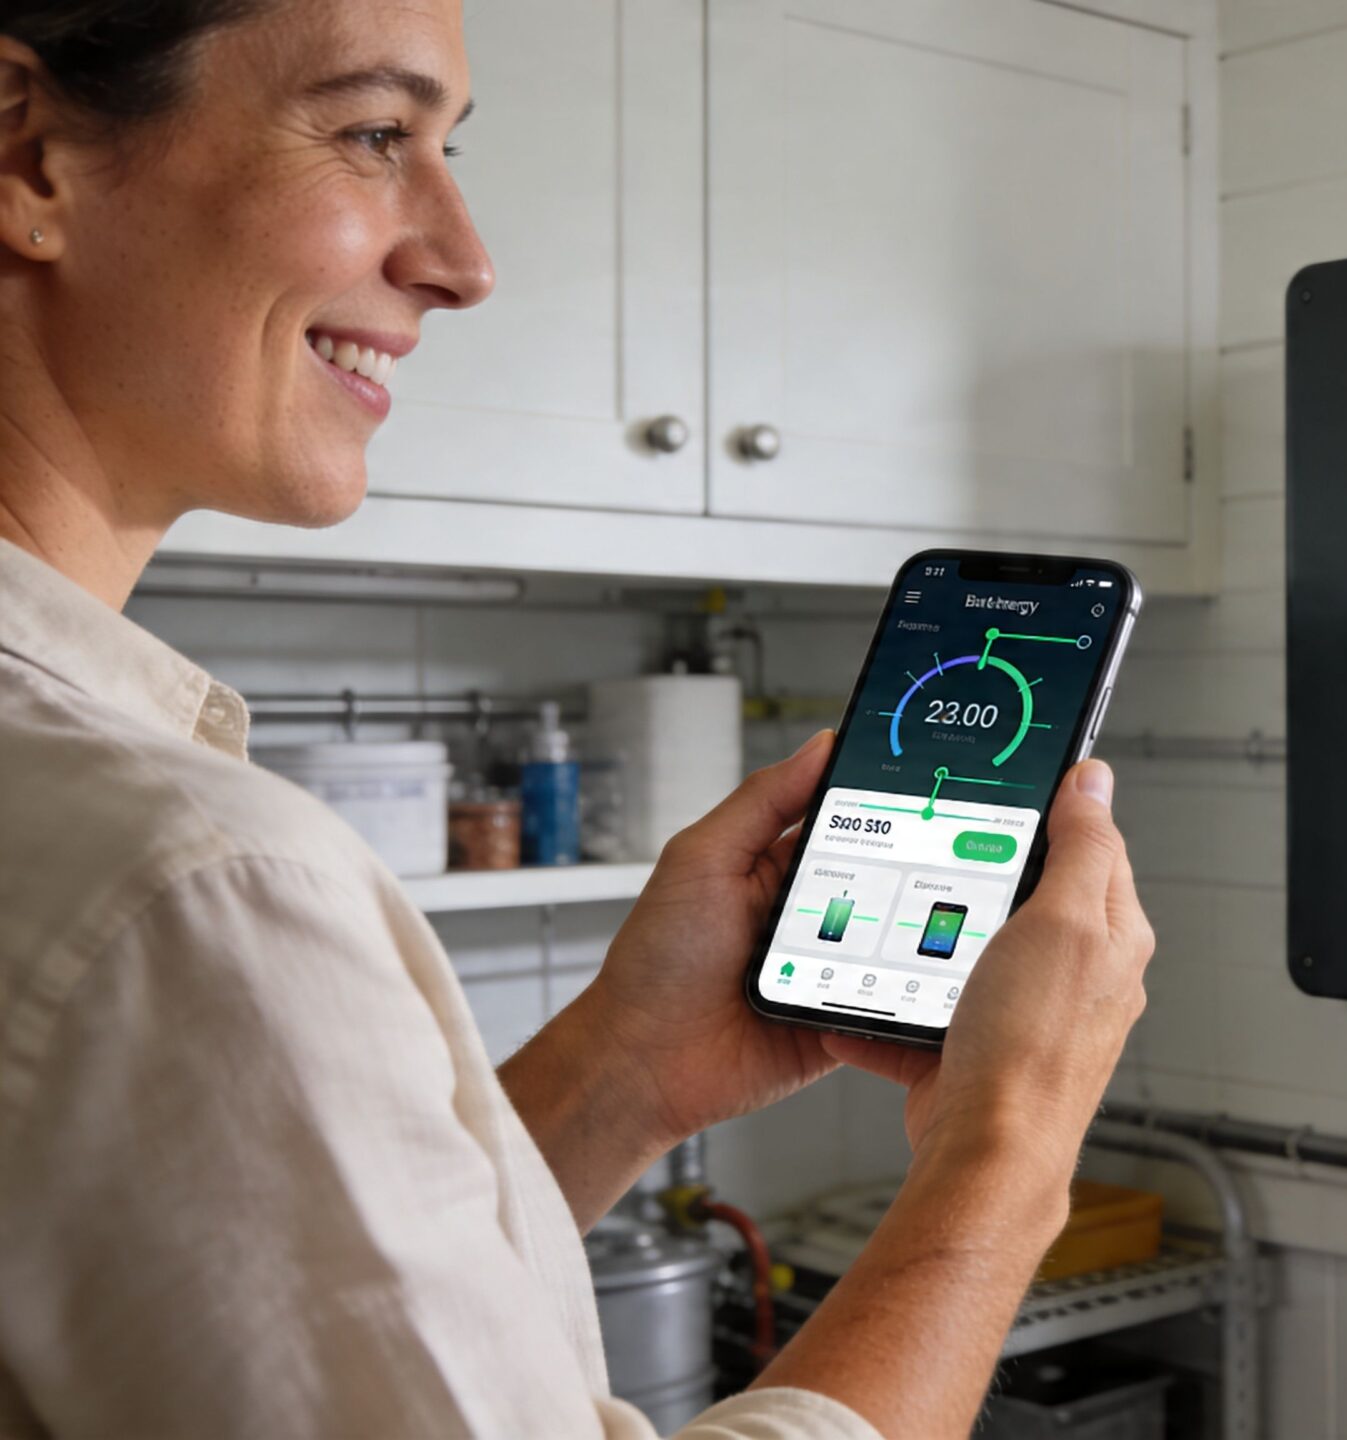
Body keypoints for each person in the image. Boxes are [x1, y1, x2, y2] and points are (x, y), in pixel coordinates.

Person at [0, 2, 1156, 1435]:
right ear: (31, 154)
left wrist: (622, 1067)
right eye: (374, 134)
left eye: (448, 148)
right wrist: (1008, 1157)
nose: (466, 264)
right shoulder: (198, 892)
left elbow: (277, 1287)